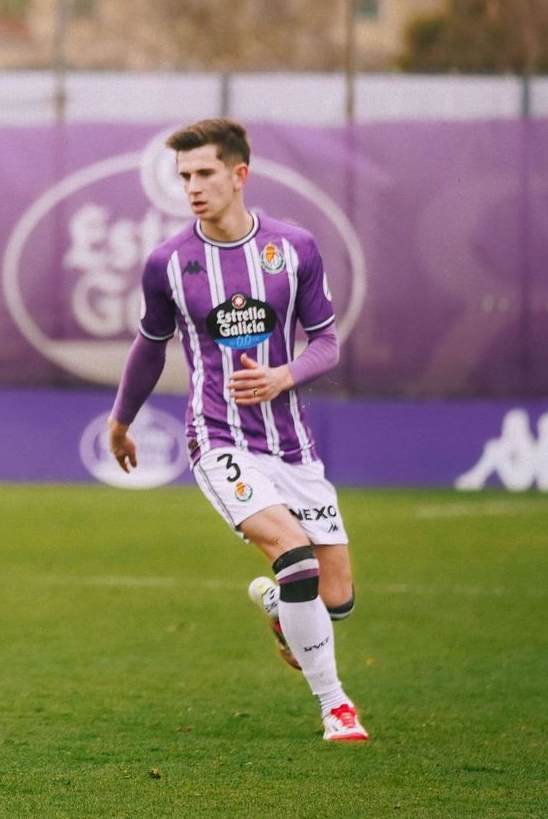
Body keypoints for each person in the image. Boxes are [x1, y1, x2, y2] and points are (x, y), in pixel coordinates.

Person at [106, 118, 366, 743]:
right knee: (294, 559)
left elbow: (327, 342)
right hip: (217, 440)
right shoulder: (169, 263)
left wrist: (284, 375)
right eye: (184, 177)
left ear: (238, 174)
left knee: (336, 598)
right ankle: (336, 706)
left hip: (292, 446)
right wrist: (121, 420)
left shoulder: (293, 247)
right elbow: (150, 345)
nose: (192, 187)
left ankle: (283, 610)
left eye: (204, 174)